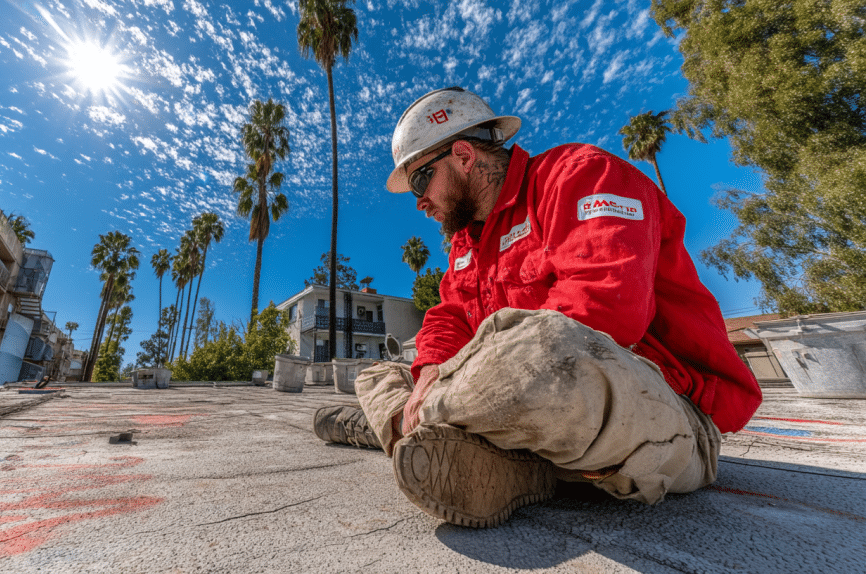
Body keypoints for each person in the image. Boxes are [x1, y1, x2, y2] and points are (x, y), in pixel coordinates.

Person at [313, 86, 762, 528]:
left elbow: (605, 309)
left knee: (544, 342)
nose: (419, 202)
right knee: (377, 374)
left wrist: (433, 392)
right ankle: (506, 460)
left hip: (655, 412)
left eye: (419, 180)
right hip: (523, 416)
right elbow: (448, 316)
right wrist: (431, 369)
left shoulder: (582, 175)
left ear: (464, 156)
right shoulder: (466, 244)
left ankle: (398, 428)